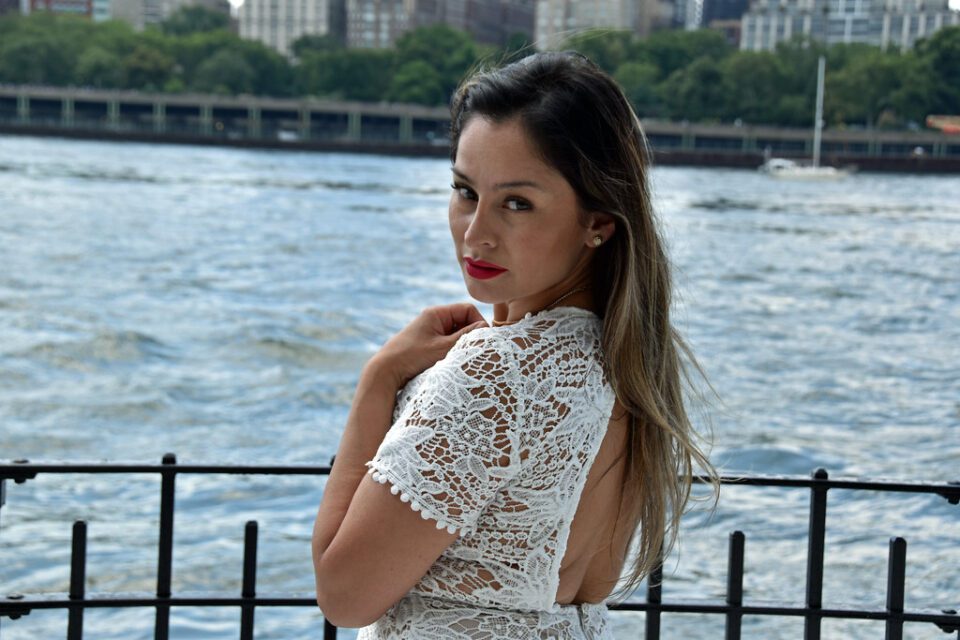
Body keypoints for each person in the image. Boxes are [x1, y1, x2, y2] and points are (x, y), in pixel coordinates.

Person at [312, 51, 716, 639]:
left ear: (597, 223)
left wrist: (378, 382)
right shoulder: (627, 362)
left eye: (517, 203)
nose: (476, 233)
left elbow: (343, 596)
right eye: (465, 191)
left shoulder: (498, 375)